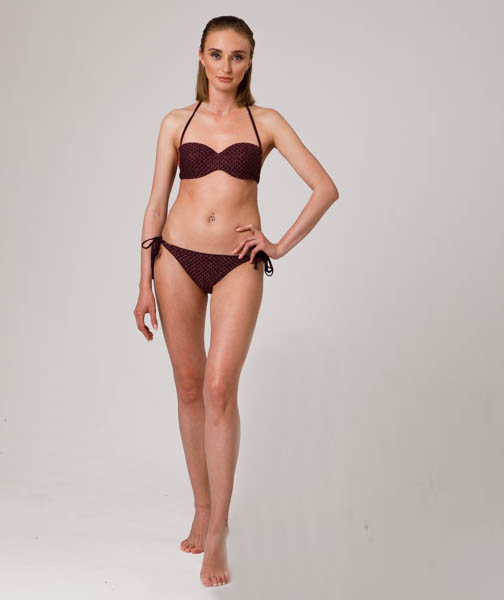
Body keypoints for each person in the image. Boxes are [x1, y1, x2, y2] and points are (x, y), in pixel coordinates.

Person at [134, 15, 339, 588]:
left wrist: (278, 244)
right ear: (201, 57)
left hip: (237, 265)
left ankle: (220, 527)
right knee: (189, 385)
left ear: (250, 62)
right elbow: (156, 204)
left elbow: (325, 187)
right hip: (175, 258)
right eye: (217, 54)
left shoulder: (265, 121)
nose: (227, 66)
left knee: (220, 388)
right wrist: (143, 282)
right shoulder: (176, 122)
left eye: (238, 56)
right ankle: (201, 507)